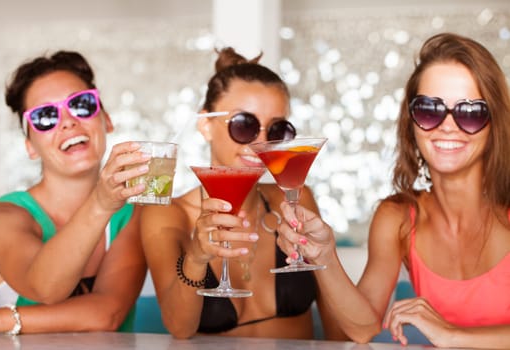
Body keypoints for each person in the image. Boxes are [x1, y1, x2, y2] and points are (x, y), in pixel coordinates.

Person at [275, 32, 510, 349]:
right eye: (430, 109)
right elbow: (362, 330)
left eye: (471, 112)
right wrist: (326, 255)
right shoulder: (398, 217)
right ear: (411, 122)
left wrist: (451, 335)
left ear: (496, 123)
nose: (448, 126)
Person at [141, 47, 337, 339]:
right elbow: (179, 328)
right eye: (244, 125)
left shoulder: (294, 197)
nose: (259, 142)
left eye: (276, 130)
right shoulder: (167, 215)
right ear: (205, 125)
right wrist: (196, 257)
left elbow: (338, 331)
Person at [0, 50, 148, 334]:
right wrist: (100, 203)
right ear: (30, 146)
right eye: (45, 117)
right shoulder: (3, 217)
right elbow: (45, 287)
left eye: (82, 104)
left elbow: (106, 314)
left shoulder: (132, 215)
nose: (68, 122)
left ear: (106, 120)